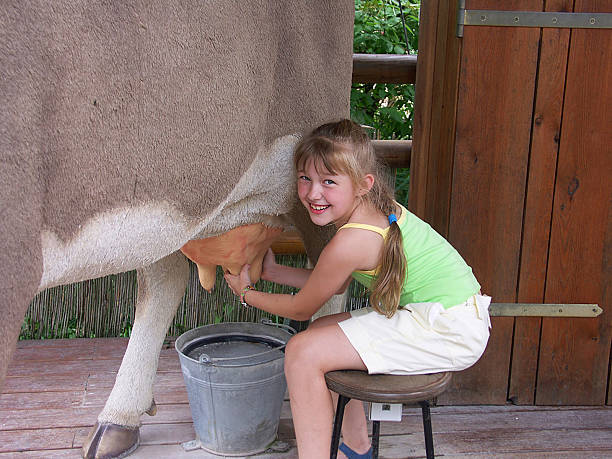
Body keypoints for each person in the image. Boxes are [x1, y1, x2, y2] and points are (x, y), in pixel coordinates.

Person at [224, 119, 491, 458]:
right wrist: (275, 273)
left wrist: (245, 294)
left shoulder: (351, 240)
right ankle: (356, 446)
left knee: (302, 352)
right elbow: (330, 283)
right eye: (305, 178)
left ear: (363, 184)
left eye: (329, 182)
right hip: (446, 314)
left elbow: (301, 308)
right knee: (322, 331)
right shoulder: (370, 213)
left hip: (449, 327)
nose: (313, 193)